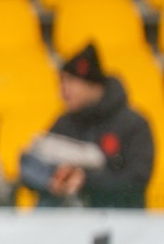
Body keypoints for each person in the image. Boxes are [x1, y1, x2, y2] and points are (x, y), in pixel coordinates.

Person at [38, 44, 155, 210]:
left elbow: (136, 180)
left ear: (91, 84)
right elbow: (30, 163)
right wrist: (53, 179)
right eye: (61, 82)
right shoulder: (64, 123)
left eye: (70, 82)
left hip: (122, 222)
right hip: (67, 224)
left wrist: (85, 180)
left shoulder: (134, 125)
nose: (62, 91)